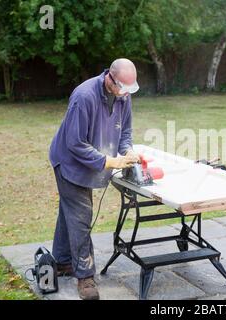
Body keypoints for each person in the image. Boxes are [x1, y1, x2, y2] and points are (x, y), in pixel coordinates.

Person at [49, 58, 140, 300]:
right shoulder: (84, 96)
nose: (124, 93)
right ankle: (85, 277)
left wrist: (128, 150)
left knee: (69, 211)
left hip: (91, 163)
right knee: (80, 216)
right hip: (69, 163)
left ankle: (61, 261)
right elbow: (75, 143)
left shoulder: (124, 96)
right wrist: (108, 162)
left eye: (128, 90)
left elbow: (125, 131)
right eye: (121, 87)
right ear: (110, 78)